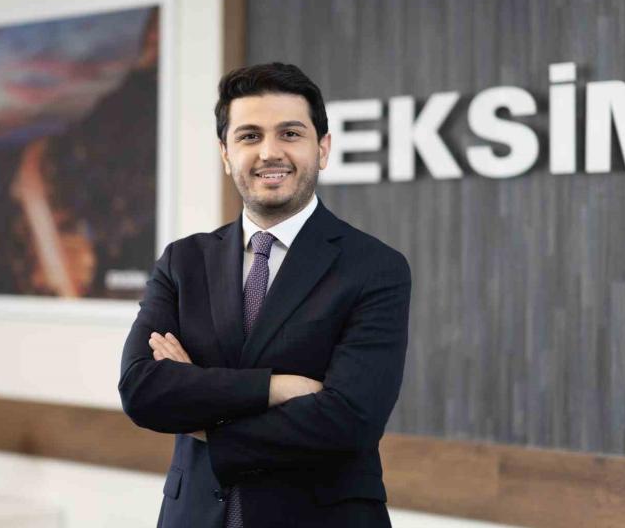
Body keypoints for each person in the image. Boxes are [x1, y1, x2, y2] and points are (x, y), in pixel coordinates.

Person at [118, 62, 411, 528]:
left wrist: (201, 411)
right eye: (250, 136)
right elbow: (141, 390)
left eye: (290, 134)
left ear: (323, 148)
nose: (270, 152)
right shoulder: (182, 261)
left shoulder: (374, 267)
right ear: (225, 153)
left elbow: (348, 420)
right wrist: (277, 388)